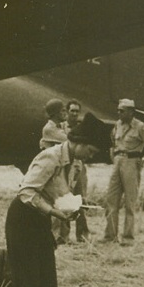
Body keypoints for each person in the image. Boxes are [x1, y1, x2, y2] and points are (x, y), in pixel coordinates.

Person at [5, 111, 109, 287]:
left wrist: (78, 204)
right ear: (79, 142)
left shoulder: (75, 162)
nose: (91, 155)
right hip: (23, 219)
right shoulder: (50, 157)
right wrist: (54, 212)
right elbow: (26, 192)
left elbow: (59, 191)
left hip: (40, 221)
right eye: (90, 150)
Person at [104, 99, 144, 244]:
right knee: (111, 199)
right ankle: (110, 236)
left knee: (130, 202)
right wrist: (114, 155)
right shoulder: (117, 124)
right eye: (118, 110)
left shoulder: (140, 127)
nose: (119, 113)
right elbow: (112, 140)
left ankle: (128, 237)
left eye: (122, 111)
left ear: (131, 112)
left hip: (131, 163)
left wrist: (143, 159)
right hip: (118, 162)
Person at [56, 99, 91, 244]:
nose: (75, 114)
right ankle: (63, 235)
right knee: (64, 199)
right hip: (64, 166)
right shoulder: (60, 127)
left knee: (80, 199)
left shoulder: (83, 128)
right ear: (67, 111)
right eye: (72, 111)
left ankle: (82, 234)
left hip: (78, 166)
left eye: (77, 111)